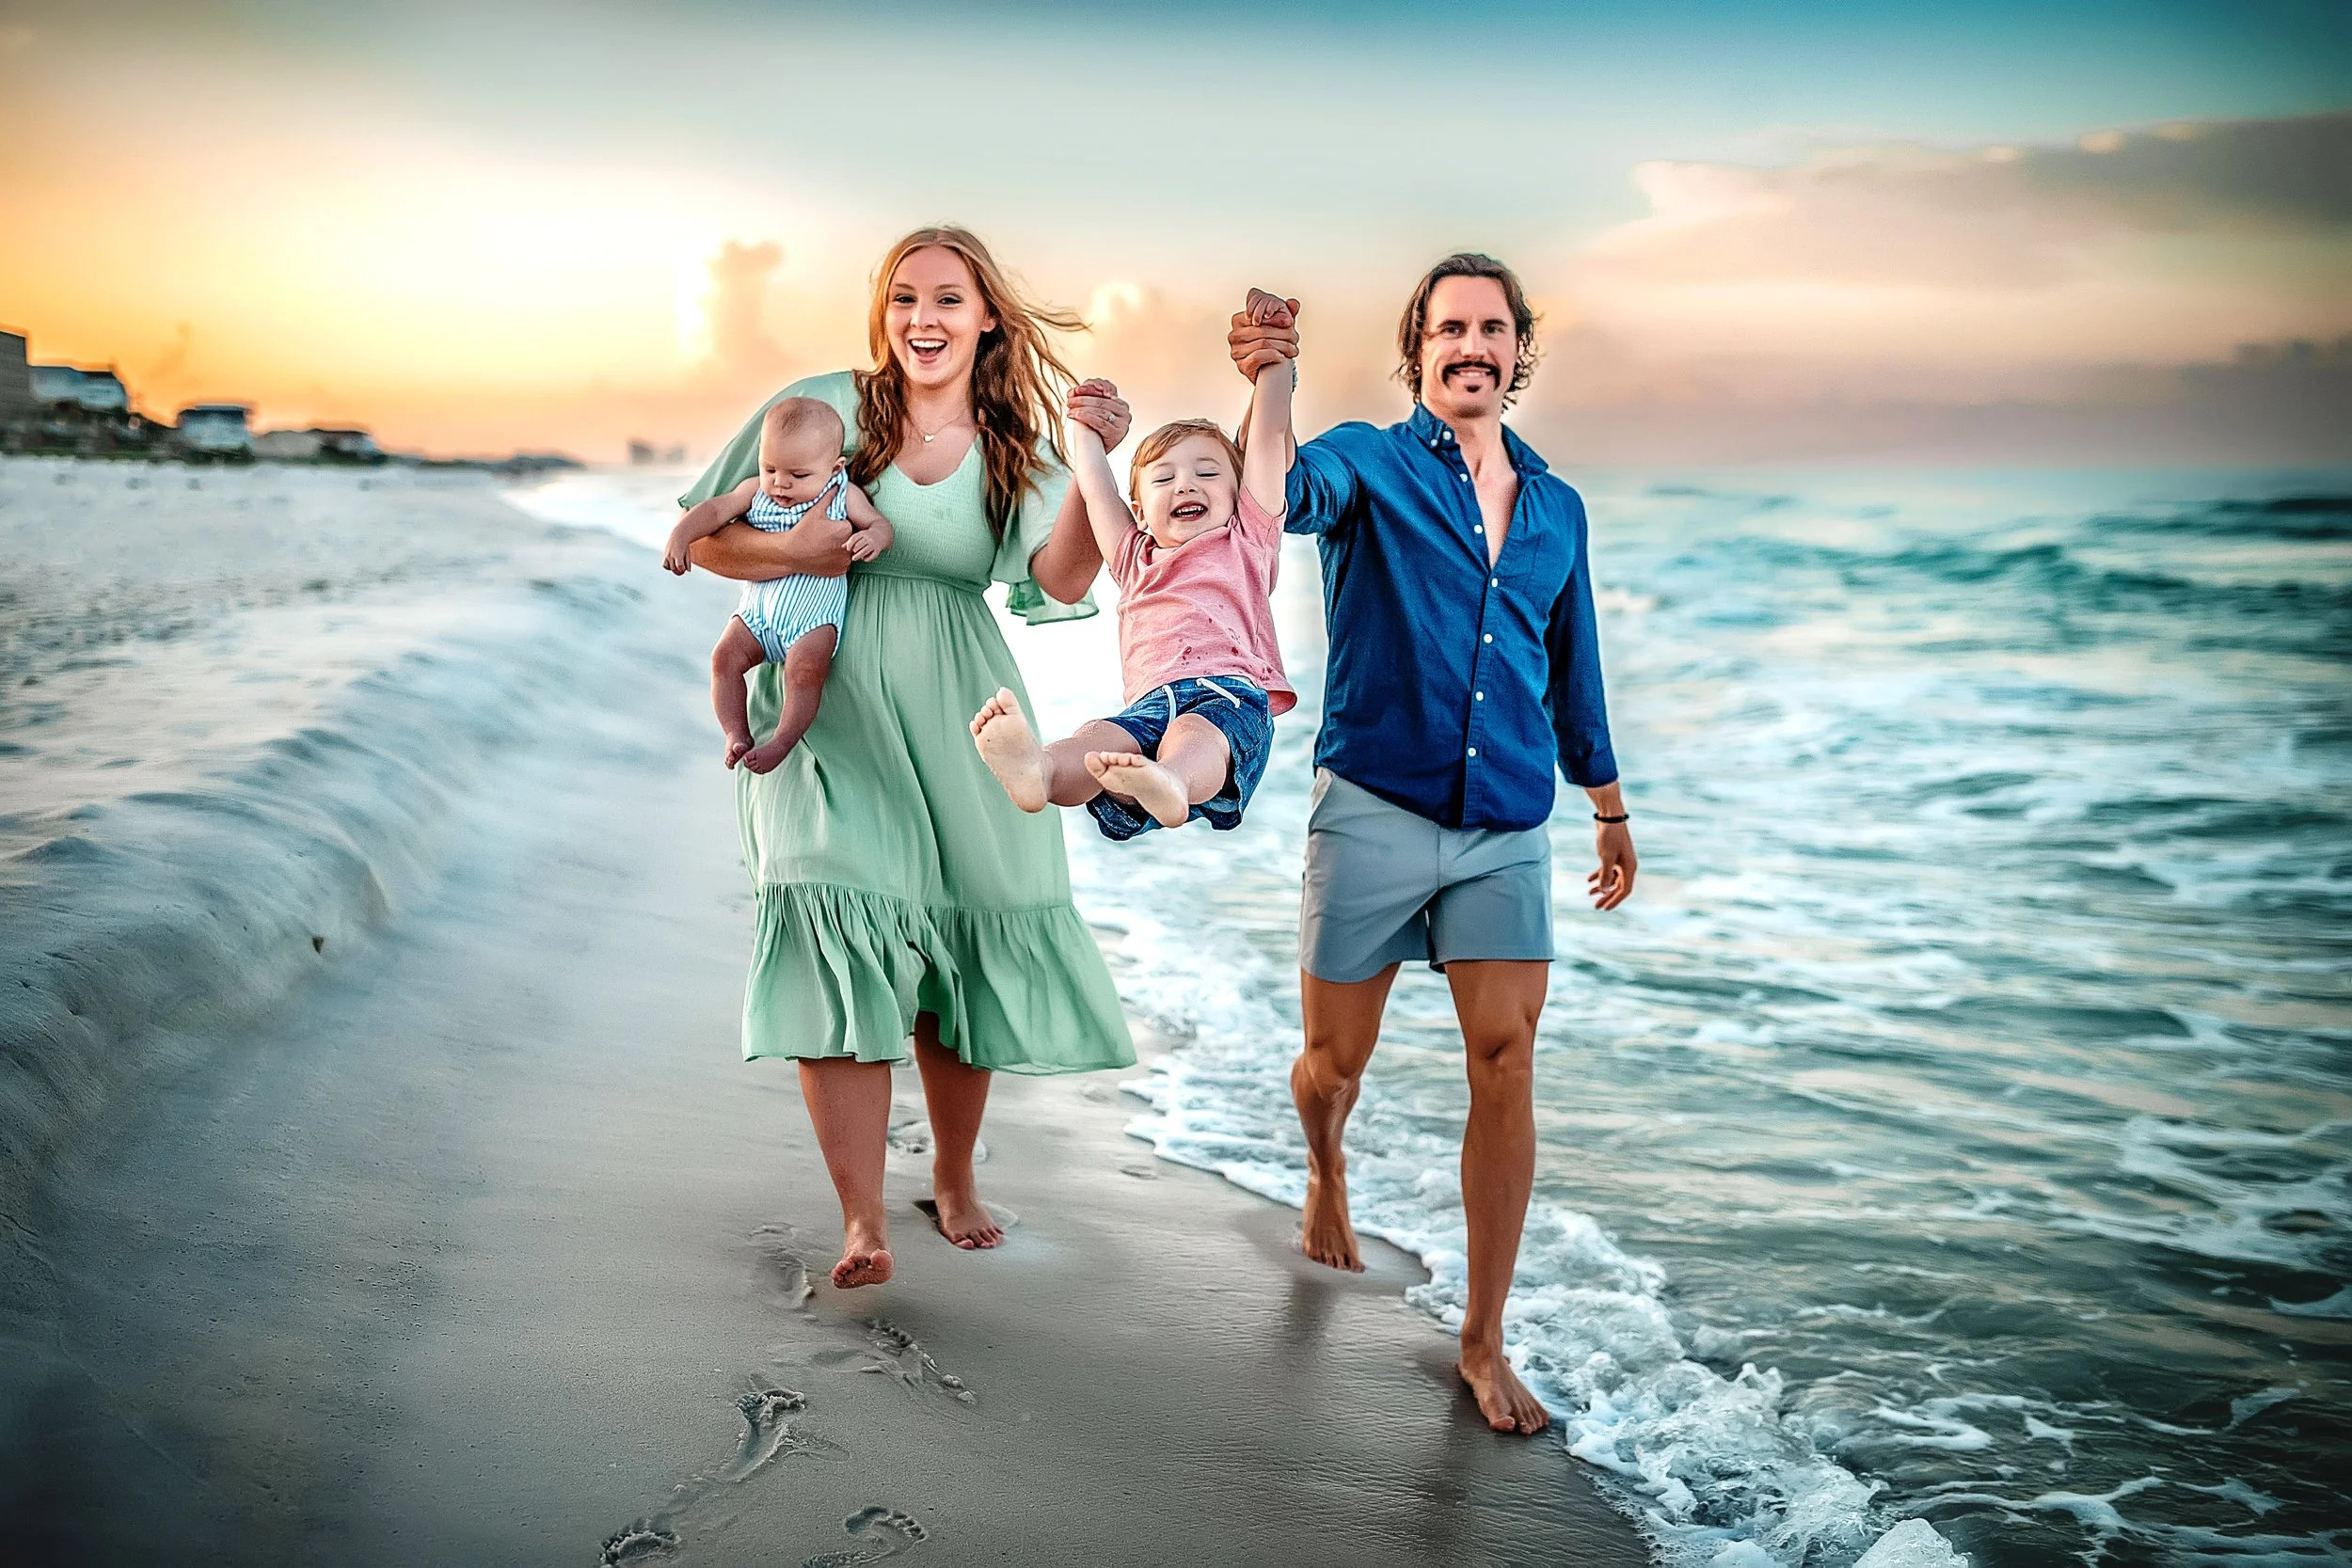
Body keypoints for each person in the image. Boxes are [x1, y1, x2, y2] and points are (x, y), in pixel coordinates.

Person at [679, 226, 1135, 1290]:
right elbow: (706, 536)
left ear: (986, 318)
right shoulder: (821, 407)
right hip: (820, 695)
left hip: (963, 705)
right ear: (882, 316)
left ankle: (958, 1174)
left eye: (946, 300)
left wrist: (1095, 458)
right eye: (902, 300)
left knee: (962, 939)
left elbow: (1063, 581)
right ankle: (861, 1220)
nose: (922, 321)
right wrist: (798, 550)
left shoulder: (1017, 443)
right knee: (836, 914)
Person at [1228, 256, 1638, 1435]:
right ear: (1420, 349)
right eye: (1450, 328)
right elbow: (1271, 499)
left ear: (1518, 352)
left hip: (1508, 819)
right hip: (1372, 803)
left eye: (1491, 329)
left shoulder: (1558, 508)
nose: (1472, 346)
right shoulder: (1367, 459)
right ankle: (1324, 1162)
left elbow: (1578, 671)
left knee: (1504, 1056)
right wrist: (1274, 381)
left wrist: (1607, 806)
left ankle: (1482, 1338)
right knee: (1332, 1064)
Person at [969, 309, 1295, 837]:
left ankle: (1171, 781)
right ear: (1140, 510)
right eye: (1164, 478)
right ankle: (1039, 772)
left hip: (1227, 697)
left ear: (1240, 497)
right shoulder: (1133, 556)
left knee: (1193, 735)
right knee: (1097, 740)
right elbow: (1097, 488)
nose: (1186, 485)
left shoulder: (1247, 539)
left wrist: (1274, 365)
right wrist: (1084, 431)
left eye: (1207, 473)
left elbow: (1267, 436)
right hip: (1148, 704)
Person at [663, 396, 894, 773]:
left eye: (798, 475)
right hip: (757, 614)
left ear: (834, 467)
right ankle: (736, 732)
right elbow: (714, 510)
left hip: (812, 620)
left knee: (804, 672)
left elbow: (879, 524)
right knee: (723, 659)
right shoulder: (755, 491)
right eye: (770, 468)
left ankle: (783, 741)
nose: (780, 483)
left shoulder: (842, 494)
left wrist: (875, 539)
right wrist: (681, 534)